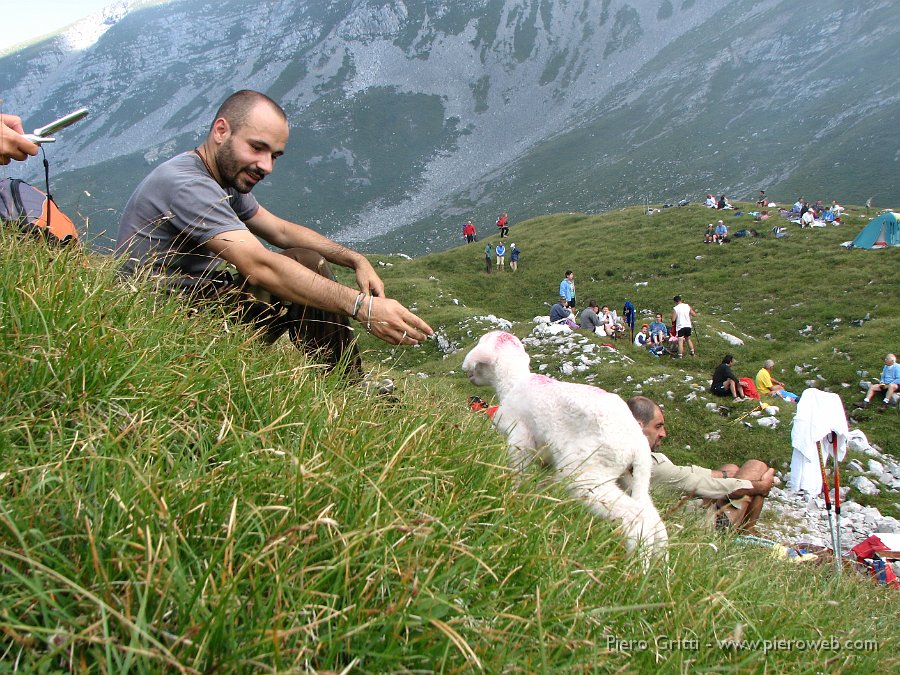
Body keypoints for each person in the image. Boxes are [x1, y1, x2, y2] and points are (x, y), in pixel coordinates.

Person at [115, 90, 432, 375]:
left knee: (304, 261)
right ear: (221, 131)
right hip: (161, 326)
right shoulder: (187, 184)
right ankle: (348, 386)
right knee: (304, 264)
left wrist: (355, 260)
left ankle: (346, 383)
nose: (266, 166)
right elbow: (259, 266)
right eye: (257, 148)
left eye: (274, 156)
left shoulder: (220, 176)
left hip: (194, 306)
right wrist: (364, 307)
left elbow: (279, 230)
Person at [626, 396, 775, 533]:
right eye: (658, 426)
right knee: (757, 467)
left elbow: (686, 472)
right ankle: (746, 532)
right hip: (701, 525)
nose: (663, 433)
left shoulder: (630, 454)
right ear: (639, 427)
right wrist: (761, 486)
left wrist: (725, 475)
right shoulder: (646, 465)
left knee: (732, 469)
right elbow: (701, 484)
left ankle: (745, 528)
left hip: (682, 507)